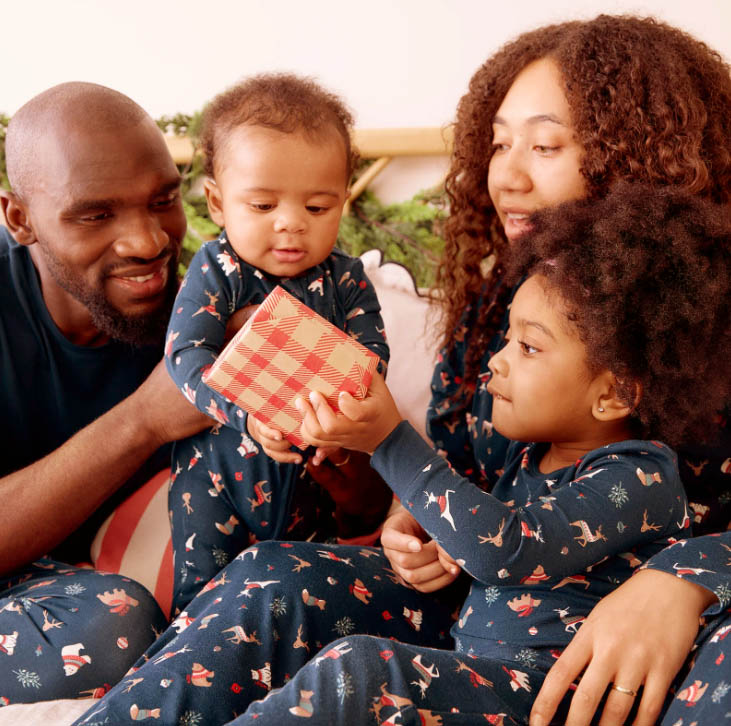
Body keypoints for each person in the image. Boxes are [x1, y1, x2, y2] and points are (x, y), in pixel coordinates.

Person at [74, 14, 731, 726]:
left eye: (543, 145)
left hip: (669, 642)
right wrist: (407, 522)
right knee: (275, 576)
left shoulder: (704, 325)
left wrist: (689, 577)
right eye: (498, 143)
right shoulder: (497, 311)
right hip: (488, 613)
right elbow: (451, 470)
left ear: (644, 156)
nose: (505, 175)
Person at [238, 182, 729, 724]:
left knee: (362, 672)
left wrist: (389, 440)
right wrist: (437, 542)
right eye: (505, 339)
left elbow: (508, 548)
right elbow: (489, 545)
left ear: (613, 395)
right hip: (479, 674)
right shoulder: (529, 458)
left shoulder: (640, 478)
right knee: (272, 572)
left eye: (528, 346)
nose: (495, 363)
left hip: (548, 700)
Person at [0, 82, 212, 703]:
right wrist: (146, 417)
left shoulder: (202, 313)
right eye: (96, 215)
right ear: (20, 220)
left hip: (65, 588)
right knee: (110, 627)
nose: (147, 243)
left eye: (164, 199)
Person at [165, 73, 389, 614]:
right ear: (217, 203)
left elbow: (371, 360)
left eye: (317, 208)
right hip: (215, 479)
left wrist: (344, 414)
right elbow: (184, 356)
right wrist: (249, 415)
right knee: (200, 603)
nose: (290, 224)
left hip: (311, 479)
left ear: (343, 201)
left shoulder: (347, 279)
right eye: (263, 206)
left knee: (303, 596)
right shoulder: (217, 268)